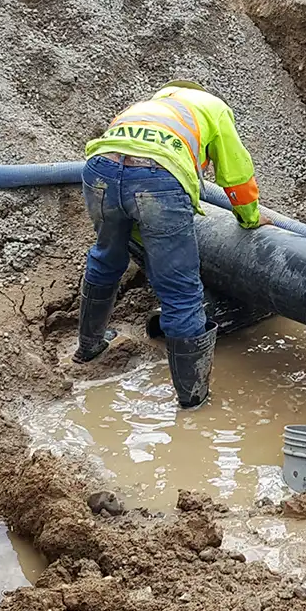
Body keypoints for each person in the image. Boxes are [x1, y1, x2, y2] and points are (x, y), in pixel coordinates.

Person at [75, 83, 264, 408]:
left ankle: (88, 347)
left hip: (99, 170)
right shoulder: (213, 108)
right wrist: (250, 219)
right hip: (157, 179)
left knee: (106, 257)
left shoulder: (148, 107)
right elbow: (236, 174)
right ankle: (194, 401)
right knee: (180, 291)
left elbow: (124, 184)